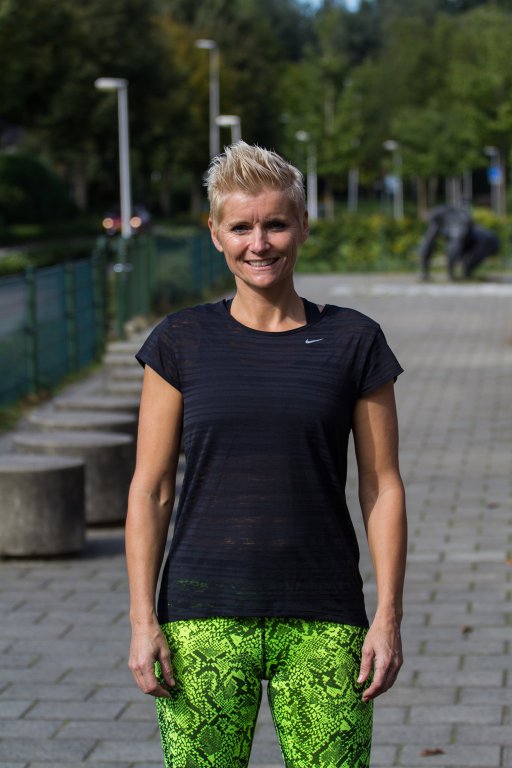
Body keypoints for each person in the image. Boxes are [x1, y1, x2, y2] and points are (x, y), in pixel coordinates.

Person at [125, 142, 407, 768]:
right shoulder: (179, 341)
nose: (259, 243)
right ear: (215, 233)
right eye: (241, 228)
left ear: (302, 225)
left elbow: (382, 486)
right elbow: (151, 489)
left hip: (325, 618)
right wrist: (143, 620)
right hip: (201, 619)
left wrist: (387, 616)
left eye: (276, 224)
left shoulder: (354, 340)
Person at [418, 204, 499, 281]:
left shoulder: (458, 222)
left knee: (464, 259)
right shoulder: (439, 219)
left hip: (486, 242)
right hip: (470, 239)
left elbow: (454, 247)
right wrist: (424, 272)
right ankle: (460, 273)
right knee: (458, 249)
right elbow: (427, 243)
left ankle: (463, 273)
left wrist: (451, 273)